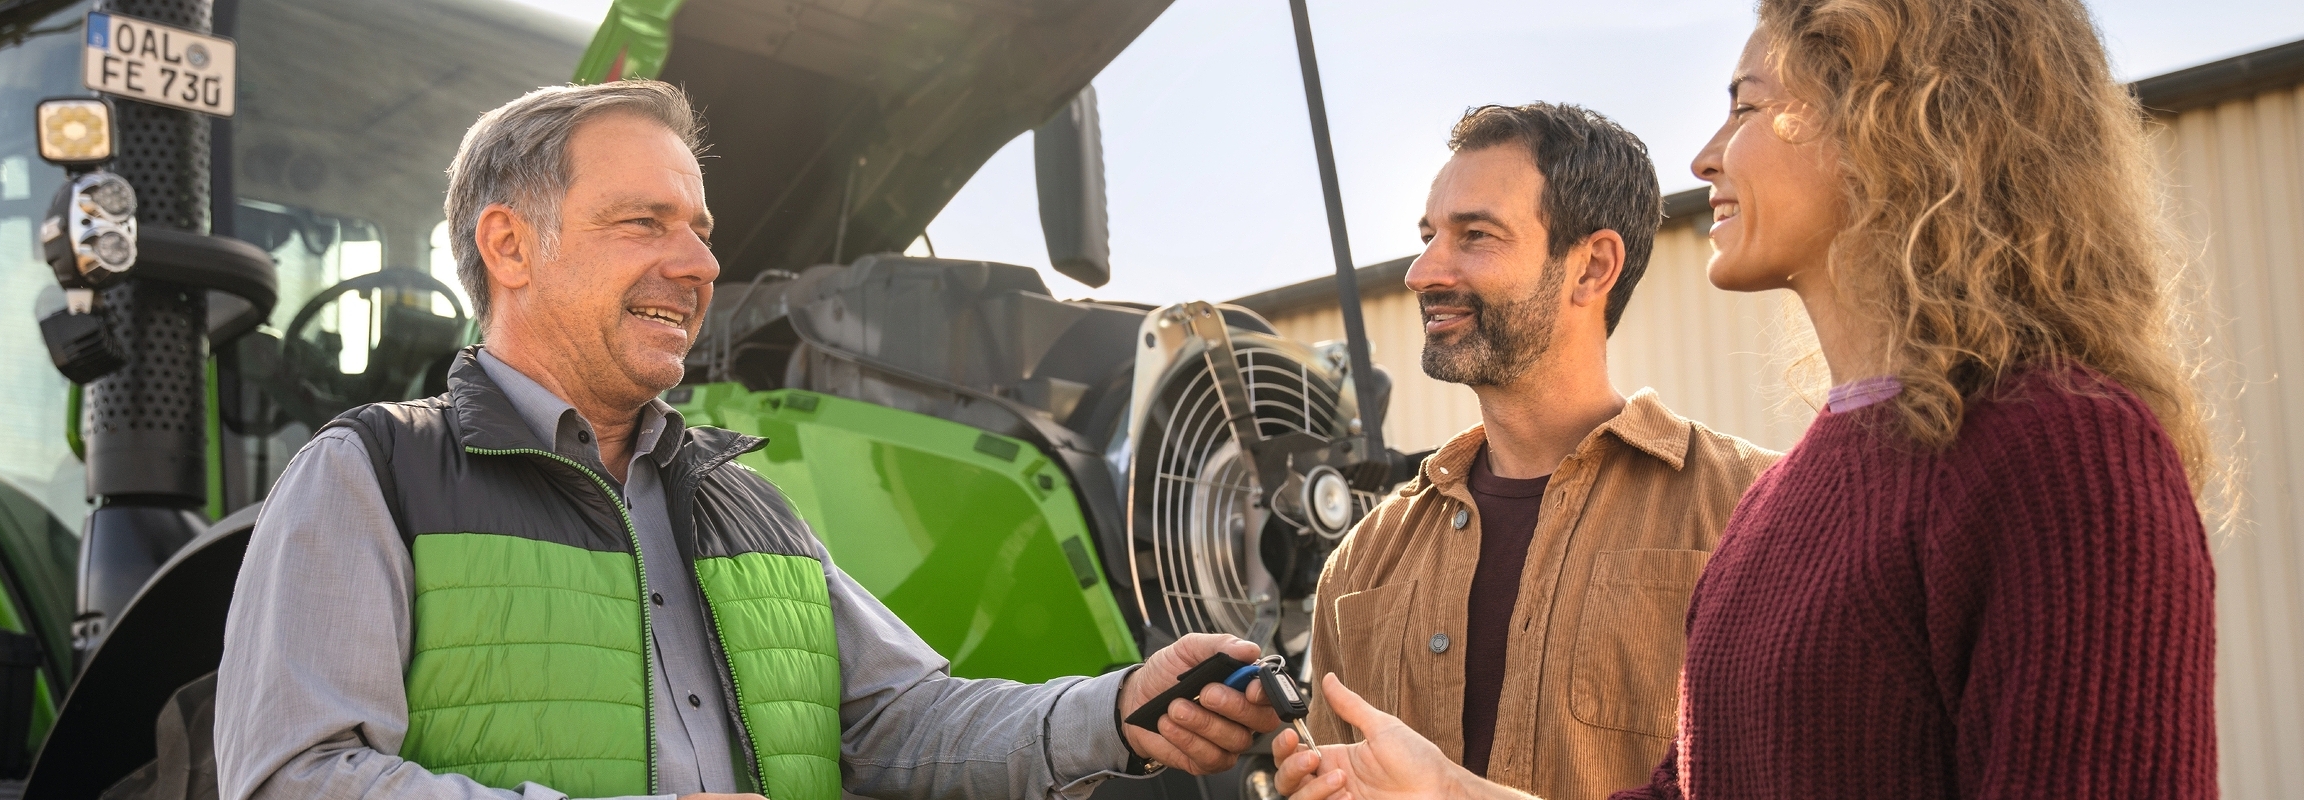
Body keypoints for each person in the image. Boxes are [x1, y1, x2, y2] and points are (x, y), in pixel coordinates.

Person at [214, 80, 1280, 800]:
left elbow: (897, 715)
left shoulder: (746, 500)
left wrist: (1114, 707)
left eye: (702, 229)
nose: (699, 264)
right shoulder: (370, 477)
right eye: (645, 222)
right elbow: (294, 774)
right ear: (508, 244)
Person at [1274, 0, 2219, 797]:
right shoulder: (1790, 499)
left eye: (1745, 107)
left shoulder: (2065, 455)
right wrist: (1448, 791)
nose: (1704, 157)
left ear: (1896, 123)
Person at [1302, 103, 1777, 799]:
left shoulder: (1753, 513)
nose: (1422, 272)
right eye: (1429, 235)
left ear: (1592, 268)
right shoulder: (1363, 560)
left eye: (1476, 236)